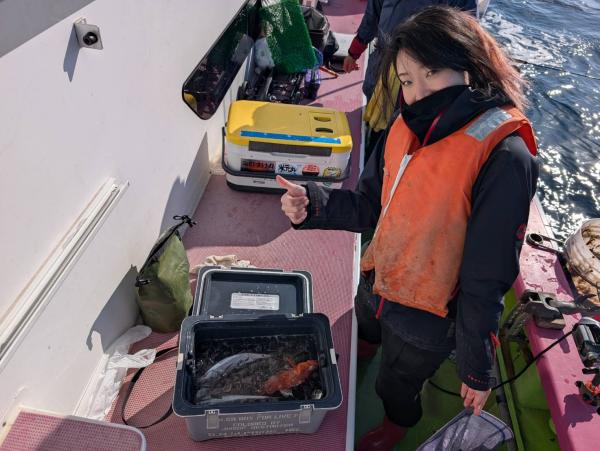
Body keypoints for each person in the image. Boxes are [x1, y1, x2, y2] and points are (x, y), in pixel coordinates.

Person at [277, 6, 539, 451]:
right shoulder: (404, 123)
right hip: (377, 279)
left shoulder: (506, 157)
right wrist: (313, 203)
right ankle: (364, 348)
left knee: (396, 383)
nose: (418, 94)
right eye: (407, 80)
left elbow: (486, 277)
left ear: (469, 65)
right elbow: (369, 204)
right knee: (364, 330)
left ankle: (397, 423)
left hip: (427, 317)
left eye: (431, 73)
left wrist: (476, 369)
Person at [343, 0, 477, 163]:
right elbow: (373, 15)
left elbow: (467, 32)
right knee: (378, 130)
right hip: (383, 65)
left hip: (427, 72)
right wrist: (354, 52)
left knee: (409, 131)